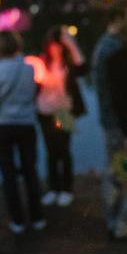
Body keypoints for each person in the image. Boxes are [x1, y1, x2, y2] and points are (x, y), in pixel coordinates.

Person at [0, 29, 46, 234]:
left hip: (2, 127)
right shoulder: (29, 69)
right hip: (27, 124)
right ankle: (37, 217)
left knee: (8, 173)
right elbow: (35, 94)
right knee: (30, 170)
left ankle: (17, 220)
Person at [92, 5, 127, 240]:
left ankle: (114, 223)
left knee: (115, 171)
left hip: (112, 123)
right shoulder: (114, 50)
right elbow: (121, 93)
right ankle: (124, 226)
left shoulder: (103, 45)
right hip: (120, 127)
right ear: (117, 17)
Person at [35, 26, 89, 208]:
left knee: (64, 150)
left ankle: (67, 189)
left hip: (64, 112)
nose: (56, 49)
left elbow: (83, 68)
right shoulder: (41, 63)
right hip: (45, 113)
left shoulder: (69, 65)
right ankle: (53, 189)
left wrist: (71, 44)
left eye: (59, 45)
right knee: (51, 151)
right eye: (53, 45)